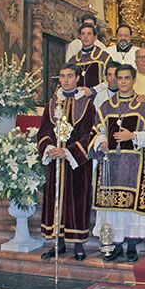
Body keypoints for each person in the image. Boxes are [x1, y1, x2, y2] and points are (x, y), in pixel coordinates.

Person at [91, 64, 145, 263]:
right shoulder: (106, 106)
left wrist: (133, 135)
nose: (123, 82)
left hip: (134, 164)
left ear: (134, 79)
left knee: (132, 206)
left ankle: (131, 245)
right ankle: (115, 244)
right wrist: (101, 141)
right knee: (112, 206)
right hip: (111, 162)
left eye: (127, 78)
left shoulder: (143, 106)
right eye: (119, 78)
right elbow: (98, 130)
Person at [37, 64, 96, 261]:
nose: (66, 80)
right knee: (55, 201)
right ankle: (58, 243)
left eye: (70, 76)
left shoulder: (87, 104)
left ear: (78, 78)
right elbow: (44, 129)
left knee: (77, 200)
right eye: (62, 76)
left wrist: (68, 151)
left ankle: (78, 244)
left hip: (76, 163)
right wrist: (48, 148)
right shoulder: (52, 103)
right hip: (55, 160)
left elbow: (90, 134)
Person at [67, 23, 112, 96]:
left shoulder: (104, 57)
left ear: (95, 37)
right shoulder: (73, 60)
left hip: (98, 97)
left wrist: (93, 90)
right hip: (77, 100)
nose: (85, 37)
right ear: (79, 37)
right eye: (83, 34)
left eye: (89, 34)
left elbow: (111, 79)